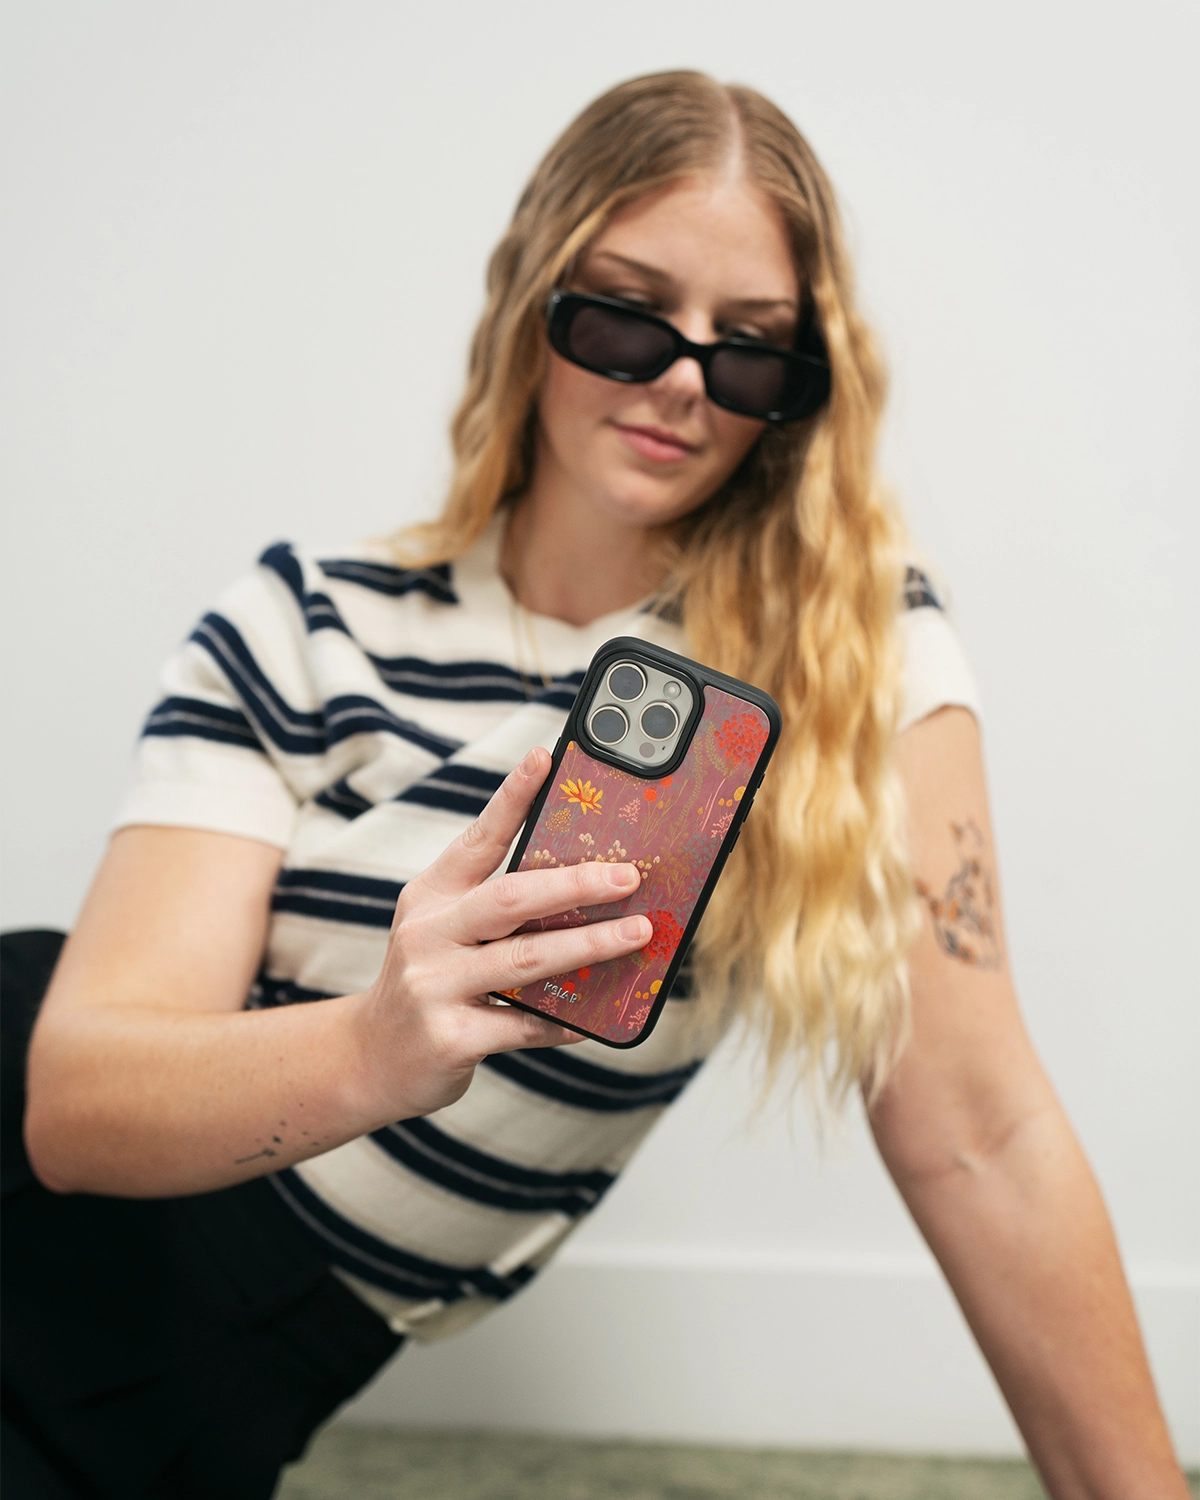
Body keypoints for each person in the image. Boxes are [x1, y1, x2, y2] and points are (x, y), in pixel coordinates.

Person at [0, 70, 1187, 1499]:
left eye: (751, 351)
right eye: (627, 313)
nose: (684, 380)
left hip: (243, 1370)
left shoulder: (844, 653)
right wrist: (376, 1046)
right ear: (531, 299)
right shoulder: (305, 620)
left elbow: (981, 1133)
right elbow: (74, 1105)